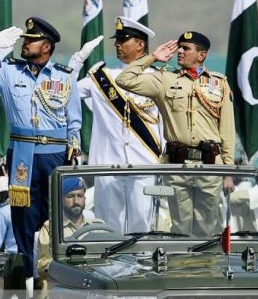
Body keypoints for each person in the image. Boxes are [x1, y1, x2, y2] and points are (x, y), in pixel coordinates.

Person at [0, 17, 82, 292]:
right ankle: (30, 279)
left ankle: (59, 274)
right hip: (23, 153)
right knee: (24, 217)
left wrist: (74, 148)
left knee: (57, 216)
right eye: (25, 39)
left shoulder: (64, 77)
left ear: (47, 46)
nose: (25, 44)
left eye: (31, 40)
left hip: (55, 154)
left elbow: (74, 121)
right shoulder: (9, 72)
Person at [116, 31, 235, 237]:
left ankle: (205, 269)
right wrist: (152, 57)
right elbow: (124, 80)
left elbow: (227, 128)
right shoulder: (164, 78)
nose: (179, 51)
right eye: (179, 47)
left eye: (186, 48)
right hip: (177, 165)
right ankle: (182, 268)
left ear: (201, 55)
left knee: (207, 227)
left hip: (209, 165)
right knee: (180, 227)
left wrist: (228, 169)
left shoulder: (219, 83)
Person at [70, 17, 165, 234]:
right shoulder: (102, 77)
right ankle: (113, 269)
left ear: (140, 45)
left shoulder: (159, 79)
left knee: (142, 228)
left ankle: (141, 268)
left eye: (123, 40)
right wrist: (75, 65)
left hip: (144, 165)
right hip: (108, 167)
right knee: (109, 228)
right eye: (117, 40)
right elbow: (65, 92)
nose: (117, 44)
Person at [36, 178, 104, 284]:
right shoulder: (51, 228)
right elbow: (42, 265)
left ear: (85, 199)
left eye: (80, 196)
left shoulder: (98, 228)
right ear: (61, 199)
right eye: (70, 196)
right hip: (64, 286)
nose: (76, 201)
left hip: (95, 285)